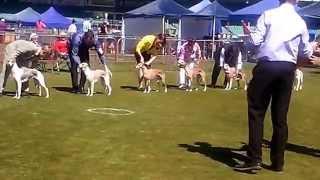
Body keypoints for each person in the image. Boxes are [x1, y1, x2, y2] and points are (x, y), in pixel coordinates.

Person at [234, 0, 320, 173]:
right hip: (288, 68)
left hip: (267, 66)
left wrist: (247, 36)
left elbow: (255, 42)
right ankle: (278, 162)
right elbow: (305, 53)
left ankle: (254, 159)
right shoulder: (300, 22)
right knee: (280, 117)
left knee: (256, 113)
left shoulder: (268, 15)